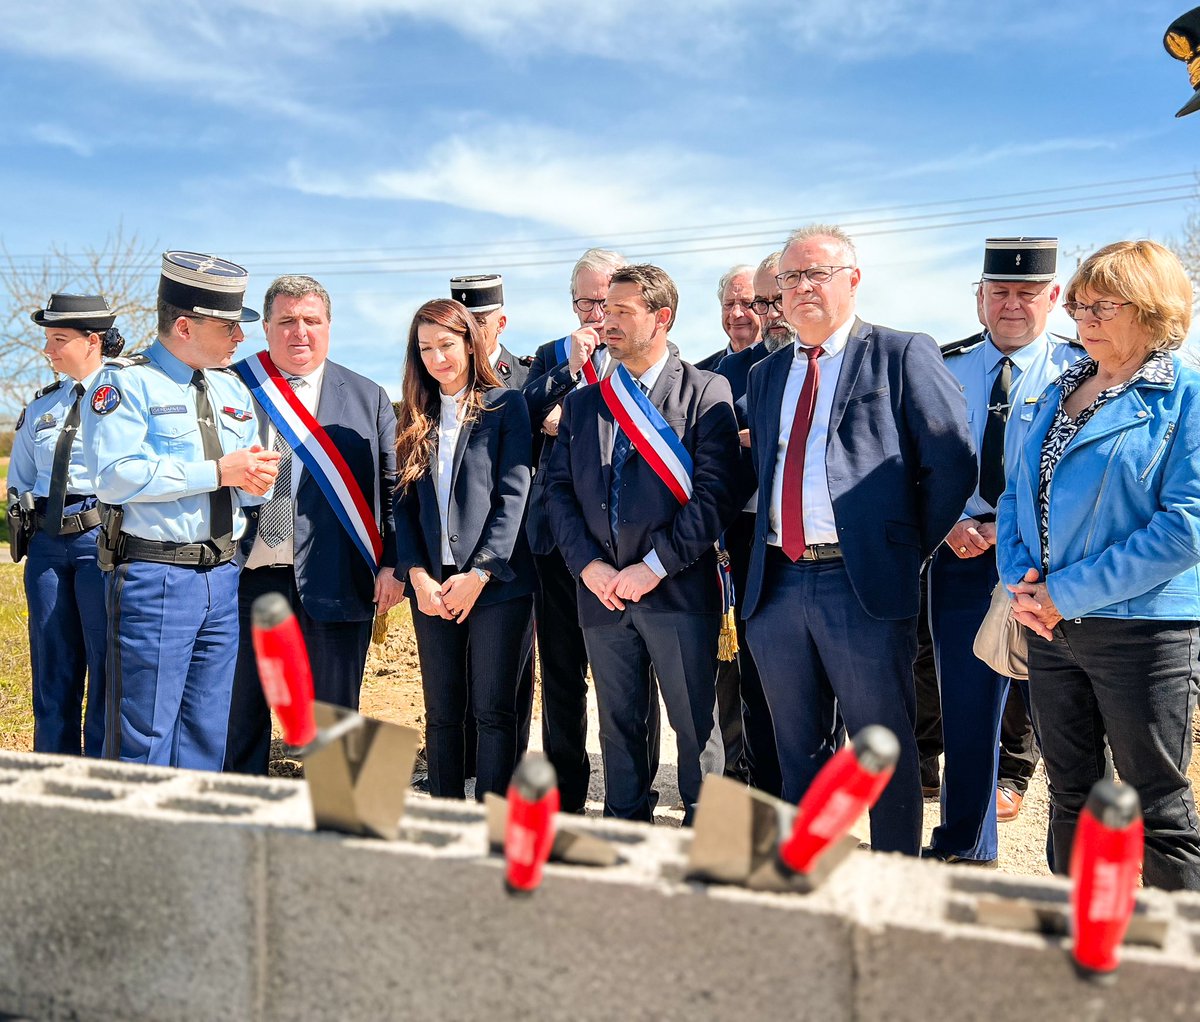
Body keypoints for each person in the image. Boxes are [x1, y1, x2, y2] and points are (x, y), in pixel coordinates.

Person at [742, 224, 976, 855]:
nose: (801, 289)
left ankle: (891, 879)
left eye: (816, 274)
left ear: (853, 279)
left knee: (879, 749)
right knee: (797, 753)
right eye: (790, 279)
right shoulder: (766, 377)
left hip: (862, 584)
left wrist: (904, 546)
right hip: (777, 585)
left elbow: (953, 462)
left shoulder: (901, 353)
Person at [998, 239, 1200, 891]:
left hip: (1142, 632)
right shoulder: (1060, 388)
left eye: (1101, 304)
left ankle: (1179, 971)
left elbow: (1187, 523)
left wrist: (1067, 592)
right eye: (1079, 304)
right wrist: (1020, 579)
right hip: (1051, 630)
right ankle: (1077, 953)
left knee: (1157, 812)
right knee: (1072, 799)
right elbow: (1013, 493)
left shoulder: (1186, 397)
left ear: (1151, 310)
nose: (1082, 317)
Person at [546, 263, 740, 825]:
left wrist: (653, 566)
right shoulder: (586, 404)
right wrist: (588, 566)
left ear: (662, 318)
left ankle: (709, 834)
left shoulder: (706, 390)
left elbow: (715, 496)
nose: (607, 322)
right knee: (619, 722)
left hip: (676, 588)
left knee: (694, 726)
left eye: (623, 311)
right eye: (604, 310)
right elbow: (557, 493)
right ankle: (625, 826)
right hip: (601, 592)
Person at [81, 251, 280, 770]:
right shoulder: (125, 384)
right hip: (156, 574)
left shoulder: (231, 388)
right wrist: (217, 471)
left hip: (223, 575)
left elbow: (250, 481)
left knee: (206, 731)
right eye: (229, 327)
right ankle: (136, 847)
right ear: (186, 325)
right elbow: (115, 476)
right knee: (144, 735)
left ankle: (190, 841)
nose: (240, 338)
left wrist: (257, 481)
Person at [927, 238, 1082, 865]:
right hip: (959, 556)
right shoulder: (941, 366)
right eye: (999, 292)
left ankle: (1076, 864)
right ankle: (966, 844)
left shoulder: (1081, 369)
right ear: (980, 298)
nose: (1011, 304)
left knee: (1067, 717)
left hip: (1049, 564)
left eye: (1026, 292)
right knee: (966, 707)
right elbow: (913, 461)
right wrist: (946, 526)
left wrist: (1009, 532)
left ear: (1053, 298)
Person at [223, 275, 403, 775]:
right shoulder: (230, 387)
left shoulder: (368, 397)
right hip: (246, 576)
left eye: (311, 320)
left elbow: (391, 491)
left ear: (328, 326)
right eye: (286, 321)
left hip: (338, 577)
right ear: (266, 329)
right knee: (239, 716)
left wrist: (393, 565)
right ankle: (239, 820)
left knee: (335, 720)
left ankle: (338, 829)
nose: (299, 331)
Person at [393, 298, 536, 801]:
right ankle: (445, 814)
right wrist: (416, 576)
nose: (437, 358)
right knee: (442, 712)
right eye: (426, 348)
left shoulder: (507, 406)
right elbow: (403, 509)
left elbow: (512, 496)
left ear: (470, 345)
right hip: (432, 588)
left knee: (494, 712)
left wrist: (480, 573)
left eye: (447, 345)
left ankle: (491, 822)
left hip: (495, 585)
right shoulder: (412, 415)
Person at [8, 294, 125, 756]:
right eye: (47, 340)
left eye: (59, 340)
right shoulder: (40, 408)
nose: (47, 351)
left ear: (92, 341)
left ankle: (97, 773)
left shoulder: (127, 397)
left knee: (104, 664)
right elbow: (18, 480)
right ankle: (53, 772)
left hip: (104, 539)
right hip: (47, 547)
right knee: (51, 662)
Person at [705, 250, 793, 796]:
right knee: (741, 661)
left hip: (810, 535)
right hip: (741, 530)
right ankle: (745, 773)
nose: (744, 312)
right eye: (733, 303)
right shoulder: (720, 372)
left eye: (755, 302)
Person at [694, 265, 761, 371]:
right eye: (729, 304)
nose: (735, 313)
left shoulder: (786, 365)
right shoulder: (699, 375)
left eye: (747, 303)